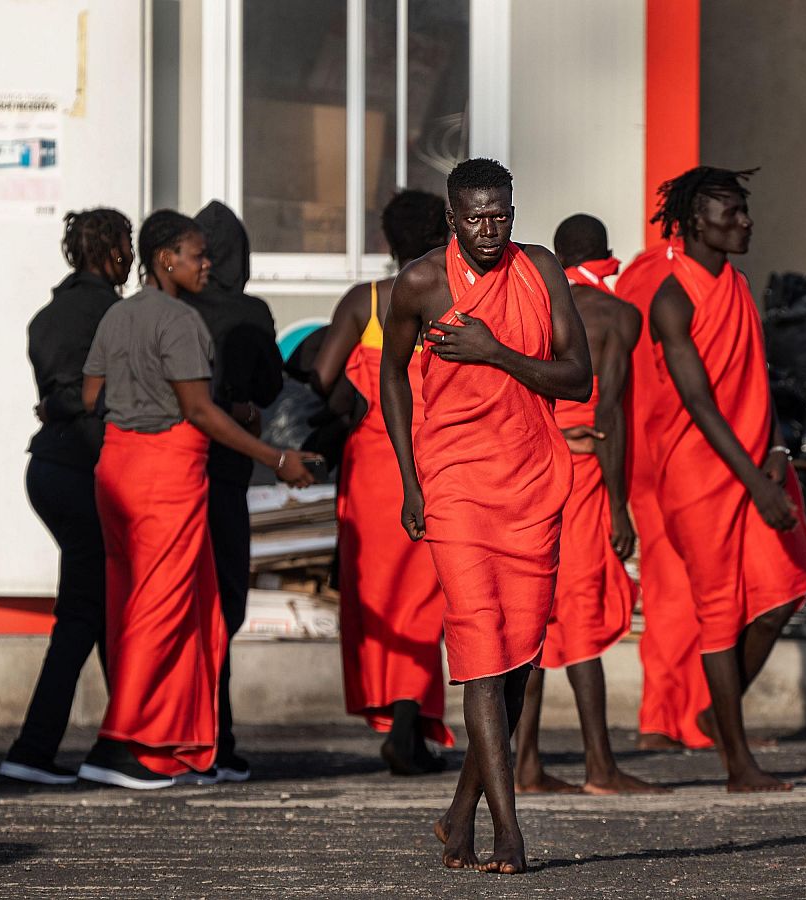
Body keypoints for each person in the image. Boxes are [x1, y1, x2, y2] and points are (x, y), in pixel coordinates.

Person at [380, 159, 590, 873]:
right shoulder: (420, 283)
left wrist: (496, 353)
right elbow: (391, 379)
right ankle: (510, 832)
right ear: (450, 216)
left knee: (519, 664)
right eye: (474, 216)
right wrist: (410, 481)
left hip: (533, 480)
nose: (490, 229)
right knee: (478, 656)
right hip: (456, 486)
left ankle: (457, 819)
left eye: (500, 213)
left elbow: (577, 376)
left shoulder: (540, 269)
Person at [77, 210, 316, 789]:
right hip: (167, 471)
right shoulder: (180, 321)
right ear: (166, 259)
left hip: (117, 467)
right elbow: (198, 411)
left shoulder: (117, 313)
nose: (206, 264)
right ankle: (120, 745)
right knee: (163, 614)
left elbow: (91, 397)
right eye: (195, 254)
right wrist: (275, 458)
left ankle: (170, 744)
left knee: (135, 607)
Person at [648, 166, 806, 792]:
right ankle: (737, 764)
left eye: (745, 212)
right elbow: (698, 402)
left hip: (756, 466)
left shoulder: (741, 284)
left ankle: (714, 714)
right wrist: (757, 483)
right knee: (721, 613)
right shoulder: (673, 298)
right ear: (697, 221)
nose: (745, 222)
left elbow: (756, 376)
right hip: (701, 476)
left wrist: (775, 446)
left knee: (783, 592)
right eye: (732, 213)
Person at [512, 213, 666, 796]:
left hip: (530, 472)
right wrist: (621, 507)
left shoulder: (533, 309)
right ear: (607, 254)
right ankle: (600, 766)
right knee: (579, 614)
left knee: (534, 616)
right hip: (585, 477)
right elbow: (609, 419)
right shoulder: (617, 315)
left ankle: (525, 766)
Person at [311, 189, 454, 775]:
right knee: (428, 598)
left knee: (381, 598)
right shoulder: (452, 299)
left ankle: (399, 720)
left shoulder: (364, 301)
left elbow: (321, 381)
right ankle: (408, 726)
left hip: (371, 467)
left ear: (388, 241)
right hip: (437, 461)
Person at [1, 209, 134, 785]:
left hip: (47, 470)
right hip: (87, 470)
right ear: (108, 252)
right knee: (85, 610)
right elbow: (96, 398)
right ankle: (33, 749)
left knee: (102, 606)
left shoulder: (47, 314)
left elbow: (61, 394)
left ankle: (122, 738)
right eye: (125, 245)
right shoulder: (113, 313)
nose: (131, 257)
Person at [179, 200, 286, 782]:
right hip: (225, 471)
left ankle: (183, 735)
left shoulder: (176, 308)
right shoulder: (250, 311)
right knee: (225, 604)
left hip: (170, 472)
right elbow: (270, 384)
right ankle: (217, 738)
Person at [614, 240, 715, 752]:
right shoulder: (686, 280)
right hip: (680, 449)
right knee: (688, 590)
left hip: (649, 449)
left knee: (676, 588)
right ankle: (675, 715)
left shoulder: (637, 274)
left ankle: (686, 713)